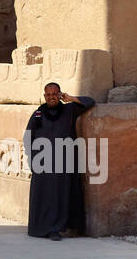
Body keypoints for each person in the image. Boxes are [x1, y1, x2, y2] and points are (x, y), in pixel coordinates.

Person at [24, 82, 96, 240]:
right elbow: (28, 136)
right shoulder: (38, 114)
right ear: (44, 96)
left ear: (59, 94)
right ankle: (39, 228)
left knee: (59, 196)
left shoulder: (69, 110)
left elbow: (90, 101)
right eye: (48, 95)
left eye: (54, 94)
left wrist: (70, 98)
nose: (51, 98)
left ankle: (55, 228)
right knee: (43, 196)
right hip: (43, 164)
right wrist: (33, 158)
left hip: (63, 163)